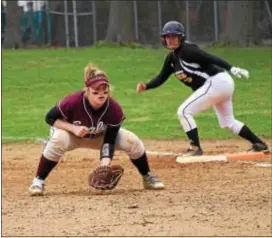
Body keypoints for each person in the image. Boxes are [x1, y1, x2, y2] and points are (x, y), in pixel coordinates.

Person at [28, 63, 164, 196]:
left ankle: (147, 177)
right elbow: (50, 118)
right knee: (58, 139)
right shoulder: (72, 101)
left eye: (105, 92)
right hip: (71, 135)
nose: (101, 95)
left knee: (132, 141)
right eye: (96, 92)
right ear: (86, 91)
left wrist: (104, 165)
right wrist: (73, 128)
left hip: (100, 137)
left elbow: (109, 141)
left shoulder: (114, 109)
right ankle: (38, 182)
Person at [136, 20, 269, 156]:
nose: (171, 40)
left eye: (174, 37)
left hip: (217, 82)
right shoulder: (172, 59)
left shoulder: (188, 50)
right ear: (163, 39)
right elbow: (161, 77)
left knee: (184, 111)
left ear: (181, 37)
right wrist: (146, 86)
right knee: (228, 122)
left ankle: (195, 148)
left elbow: (210, 57)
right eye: (168, 37)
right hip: (220, 84)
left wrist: (231, 68)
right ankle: (259, 144)